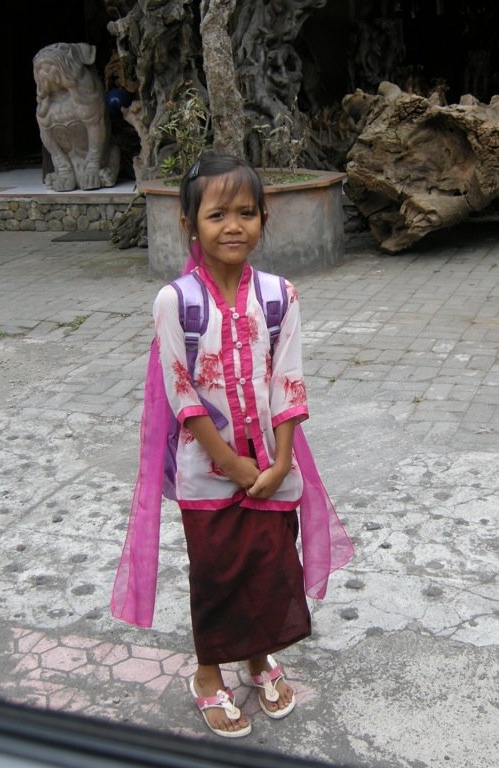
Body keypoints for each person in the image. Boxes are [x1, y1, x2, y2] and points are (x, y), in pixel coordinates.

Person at [110, 150, 353, 739]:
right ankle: (208, 674)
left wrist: (282, 460)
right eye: (217, 214)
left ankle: (258, 657)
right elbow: (182, 394)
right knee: (216, 574)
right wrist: (231, 464)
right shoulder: (176, 302)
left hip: (274, 468)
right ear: (188, 223)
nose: (234, 226)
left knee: (270, 568)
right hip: (207, 472)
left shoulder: (279, 296)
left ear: (264, 219)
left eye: (247, 212)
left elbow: (288, 383)